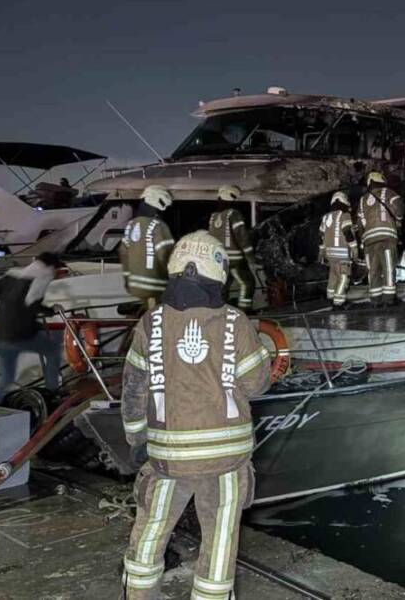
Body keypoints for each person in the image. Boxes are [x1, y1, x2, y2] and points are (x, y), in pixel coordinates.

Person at [120, 231, 272, 600]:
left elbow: (133, 388)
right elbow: (256, 384)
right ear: (218, 274)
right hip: (226, 461)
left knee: (151, 532)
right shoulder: (235, 322)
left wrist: (137, 440)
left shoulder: (150, 323)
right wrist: (263, 350)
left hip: (166, 459)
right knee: (219, 541)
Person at [0, 252, 63, 405]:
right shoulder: (41, 278)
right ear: (50, 266)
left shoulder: (14, 274)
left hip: (0, 337)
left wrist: (9, 303)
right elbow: (32, 305)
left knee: (6, 377)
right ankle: (52, 392)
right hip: (21, 336)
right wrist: (52, 310)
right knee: (53, 351)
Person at [120, 185, 175, 309]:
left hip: (135, 286)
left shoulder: (131, 225)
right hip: (156, 287)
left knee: (146, 314)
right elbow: (165, 255)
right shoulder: (158, 226)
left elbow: (123, 253)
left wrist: (128, 278)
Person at [356, 171, 404, 306]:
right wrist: (398, 221)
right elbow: (399, 210)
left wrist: (363, 239)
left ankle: (375, 300)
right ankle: (389, 300)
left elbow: (359, 223)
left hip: (369, 240)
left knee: (373, 271)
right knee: (388, 267)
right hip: (387, 237)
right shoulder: (389, 193)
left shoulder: (362, 200)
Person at [208, 185, 256, 311]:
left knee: (223, 285)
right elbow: (242, 237)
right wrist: (251, 257)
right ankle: (245, 311)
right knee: (247, 283)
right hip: (235, 260)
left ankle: (219, 312)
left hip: (218, 260)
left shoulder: (213, 217)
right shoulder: (234, 214)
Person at [319, 191, 358, 309]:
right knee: (343, 277)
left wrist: (321, 252)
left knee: (333, 276)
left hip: (330, 254)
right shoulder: (344, 215)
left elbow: (321, 236)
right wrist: (354, 248)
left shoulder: (325, 217)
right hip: (342, 254)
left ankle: (331, 297)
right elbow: (347, 232)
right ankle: (339, 302)